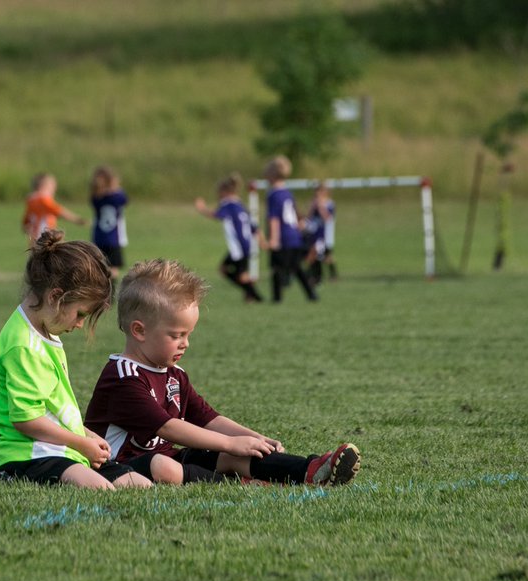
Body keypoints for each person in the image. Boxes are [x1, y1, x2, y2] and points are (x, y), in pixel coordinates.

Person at [84, 259, 360, 486]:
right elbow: (168, 427)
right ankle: (241, 482)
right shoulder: (123, 376)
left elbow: (207, 418)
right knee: (165, 466)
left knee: (231, 454)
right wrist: (230, 442)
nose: (186, 343)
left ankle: (310, 470)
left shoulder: (174, 373)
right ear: (139, 330)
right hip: (120, 466)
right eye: (177, 335)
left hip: (169, 457)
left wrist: (253, 438)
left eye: (188, 334)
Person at [0, 230, 152, 490]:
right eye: (80, 314)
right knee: (102, 489)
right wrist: (80, 443)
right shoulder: (23, 345)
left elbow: (52, 409)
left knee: (141, 486)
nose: (79, 324)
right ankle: (11, 475)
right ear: (56, 297)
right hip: (30, 457)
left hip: (62, 451)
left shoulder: (44, 329)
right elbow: (26, 420)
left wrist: (86, 435)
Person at [194, 173, 263, 303]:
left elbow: (217, 215)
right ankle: (250, 294)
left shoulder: (227, 204)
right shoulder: (239, 204)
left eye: (219, 193)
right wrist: (262, 240)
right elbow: (253, 226)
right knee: (239, 273)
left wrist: (202, 209)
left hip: (238, 246)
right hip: (247, 244)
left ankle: (255, 296)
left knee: (228, 271)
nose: (218, 196)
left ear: (224, 192)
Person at [263, 155, 317, 302]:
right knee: (296, 267)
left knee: (277, 268)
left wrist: (273, 239)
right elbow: (295, 213)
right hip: (294, 235)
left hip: (283, 236)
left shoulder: (273, 194)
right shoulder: (288, 192)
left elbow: (274, 218)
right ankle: (312, 295)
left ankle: (276, 298)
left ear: (272, 174)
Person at [23, 173, 86, 243]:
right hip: (44, 236)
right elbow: (60, 211)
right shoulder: (43, 199)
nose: (55, 188)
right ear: (43, 186)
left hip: (35, 236)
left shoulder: (31, 200)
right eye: (52, 185)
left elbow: (26, 221)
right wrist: (78, 220)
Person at [90, 166, 128, 280]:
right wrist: (114, 187)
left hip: (98, 237)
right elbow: (125, 199)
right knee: (113, 268)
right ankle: (111, 291)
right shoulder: (116, 197)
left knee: (100, 266)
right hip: (114, 238)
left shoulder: (96, 198)